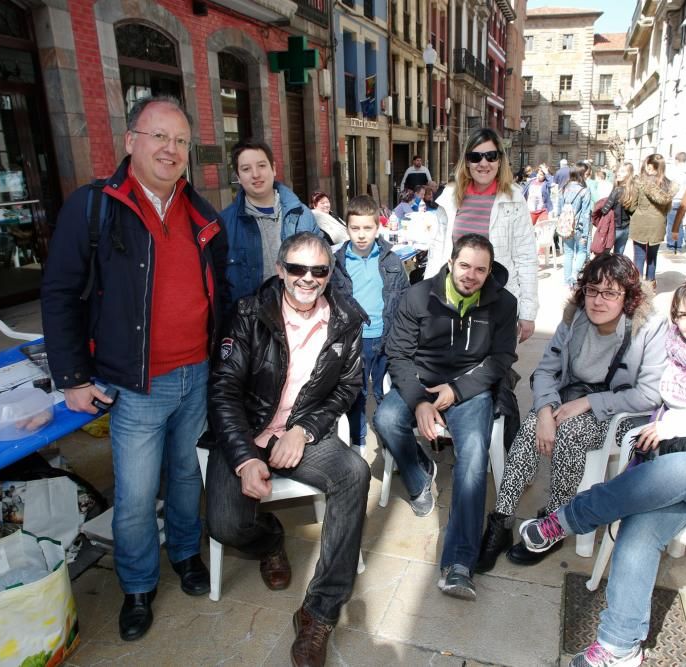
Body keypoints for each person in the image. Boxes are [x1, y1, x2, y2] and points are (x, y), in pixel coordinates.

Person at [518, 275, 686, 667]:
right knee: (639, 525)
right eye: (682, 315)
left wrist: (681, 427)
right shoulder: (682, 349)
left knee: (680, 469)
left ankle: (565, 520)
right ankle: (619, 647)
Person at [41, 95, 228, 641]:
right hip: (136, 385)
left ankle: (187, 557)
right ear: (130, 141)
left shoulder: (200, 212)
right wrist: (72, 377)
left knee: (187, 476)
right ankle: (139, 586)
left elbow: (218, 294)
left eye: (179, 141)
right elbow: (58, 294)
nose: (170, 149)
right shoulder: (94, 206)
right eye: (158, 136)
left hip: (197, 375)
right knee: (137, 495)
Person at [205, 232, 370, 667]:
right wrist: (243, 459)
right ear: (280, 270)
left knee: (354, 473)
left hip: (299, 433)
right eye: (297, 268)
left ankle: (318, 612)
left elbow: (348, 388)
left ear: (329, 274)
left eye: (318, 270)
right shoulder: (246, 313)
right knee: (225, 525)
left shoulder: (346, 319)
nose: (307, 279)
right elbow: (222, 392)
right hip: (246, 430)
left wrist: (305, 430)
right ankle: (271, 540)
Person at [477, 254, 667, 572]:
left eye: (610, 293)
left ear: (629, 296)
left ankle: (554, 524)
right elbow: (546, 371)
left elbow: (649, 395)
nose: (597, 300)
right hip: (571, 399)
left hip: (622, 413)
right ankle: (501, 521)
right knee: (531, 426)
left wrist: (592, 404)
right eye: (592, 290)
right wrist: (546, 411)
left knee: (571, 434)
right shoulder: (574, 317)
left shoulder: (649, 327)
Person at [373, 234, 518, 600]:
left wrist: (458, 391)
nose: (471, 275)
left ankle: (458, 565)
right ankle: (419, 476)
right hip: (421, 380)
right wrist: (420, 401)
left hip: (470, 388)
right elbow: (399, 355)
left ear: (489, 273)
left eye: (480, 270)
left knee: (472, 456)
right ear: (451, 263)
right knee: (387, 419)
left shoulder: (503, 304)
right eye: (465, 265)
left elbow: (501, 360)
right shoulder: (419, 296)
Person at [426, 127, 538, 342]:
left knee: (491, 369)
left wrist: (528, 312)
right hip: (453, 299)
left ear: (500, 161)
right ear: (467, 162)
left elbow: (526, 258)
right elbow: (437, 252)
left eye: (491, 156)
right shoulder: (450, 197)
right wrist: (427, 297)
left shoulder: (513, 199)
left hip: (497, 300)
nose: (483, 163)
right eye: (476, 157)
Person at [332, 195, 410, 450]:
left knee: (386, 392)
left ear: (378, 227)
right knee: (356, 393)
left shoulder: (391, 261)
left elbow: (405, 297)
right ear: (347, 229)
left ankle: (392, 441)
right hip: (354, 341)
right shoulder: (338, 264)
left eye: (367, 228)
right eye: (355, 228)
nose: (361, 235)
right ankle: (359, 441)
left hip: (386, 338)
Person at [220, 139, 319, 308]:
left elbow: (322, 268)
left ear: (273, 168)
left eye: (261, 166)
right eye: (246, 169)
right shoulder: (224, 225)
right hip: (249, 325)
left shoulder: (302, 215)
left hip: (299, 315)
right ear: (238, 177)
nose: (256, 174)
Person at [629, 153, 676, 285]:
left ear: (649, 166)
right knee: (652, 257)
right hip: (658, 223)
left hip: (640, 222)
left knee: (638, 257)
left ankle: (637, 287)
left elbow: (633, 204)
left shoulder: (640, 182)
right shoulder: (669, 185)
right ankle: (651, 284)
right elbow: (668, 208)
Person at [558, 165, 594, 287]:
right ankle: (574, 274)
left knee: (568, 253)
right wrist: (585, 233)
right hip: (579, 226)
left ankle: (566, 281)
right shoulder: (584, 190)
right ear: (582, 174)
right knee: (582, 251)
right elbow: (586, 214)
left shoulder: (563, 188)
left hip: (566, 226)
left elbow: (559, 210)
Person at [599, 162, 638, 256]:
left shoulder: (617, 190)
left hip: (613, 228)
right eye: (618, 171)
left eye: (623, 171)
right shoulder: (633, 189)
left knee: (604, 256)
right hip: (625, 227)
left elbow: (605, 210)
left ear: (629, 174)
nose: (618, 173)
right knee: (618, 258)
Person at [665, 152, 686, 253]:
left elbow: (668, 185)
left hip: (674, 199)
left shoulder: (672, 171)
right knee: (680, 223)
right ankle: (679, 244)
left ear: (677, 160)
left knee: (671, 223)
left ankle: (672, 244)